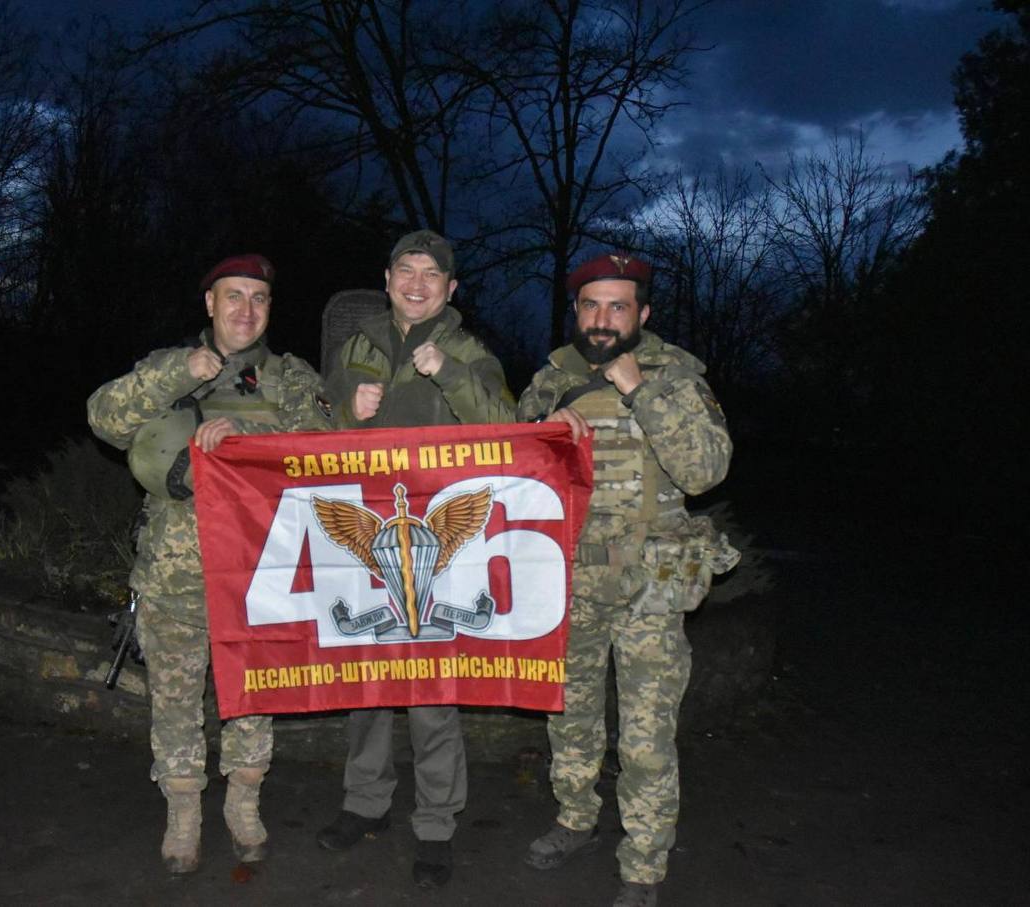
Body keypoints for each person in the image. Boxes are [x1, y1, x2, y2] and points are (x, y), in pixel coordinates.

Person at [86, 254, 329, 874]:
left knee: (253, 696)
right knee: (174, 700)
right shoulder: (170, 366)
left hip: (260, 571)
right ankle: (183, 812)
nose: (246, 310)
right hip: (175, 575)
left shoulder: (291, 377)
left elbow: (324, 455)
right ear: (210, 303)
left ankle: (244, 802)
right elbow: (104, 419)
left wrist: (242, 444)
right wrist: (178, 373)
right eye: (233, 295)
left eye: (259, 298)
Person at [518, 253, 737, 907]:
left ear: (643, 313)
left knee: (645, 733)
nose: (603, 318)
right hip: (573, 580)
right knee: (571, 715)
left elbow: (705, 470)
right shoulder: (551, 379)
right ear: (576, 311)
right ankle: (574, 819)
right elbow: (510, 473)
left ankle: (643, 863)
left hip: (651, 585)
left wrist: (640, 390)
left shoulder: (676, 376)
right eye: (591, 305)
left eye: (618, 306)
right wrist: (541, 436)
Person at [317, 229, 516, 888]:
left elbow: (507, 428)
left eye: (432, 274)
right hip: (367, 543)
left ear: (450, 289)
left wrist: (449, 374)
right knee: (368, 683)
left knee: (432, 691)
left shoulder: (470, 350)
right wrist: (347, 410)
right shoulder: (356, 345)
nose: (417, 283)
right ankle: (364, 802)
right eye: (407, 269)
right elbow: (311, 435)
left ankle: (435, 824)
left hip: (439, 549)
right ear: (387, 278)